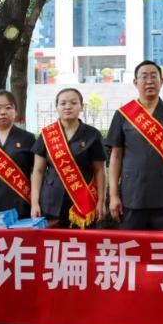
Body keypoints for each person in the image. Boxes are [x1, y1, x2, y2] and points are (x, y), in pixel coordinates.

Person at [106, 60, 163, 324]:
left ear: (162, 81)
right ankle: (129, 315)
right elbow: (115, 156)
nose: (149, 81)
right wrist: (113, 195)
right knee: (131, 260)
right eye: (144, 76)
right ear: (135, 82)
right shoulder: (124, 115)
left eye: (154, 76)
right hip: (131, 199)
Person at [31, 88, 106, 228]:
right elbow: (38, 171)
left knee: (82, 241)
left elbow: (100, 170)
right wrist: (34, 203)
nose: (68, 106)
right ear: (57, 107)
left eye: (73, 103)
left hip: (83, 201)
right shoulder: (47, 135)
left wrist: (101, 201)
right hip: (51, 200)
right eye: (63, 103)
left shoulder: (92, 134)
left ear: (81, 106)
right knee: (53, 241)